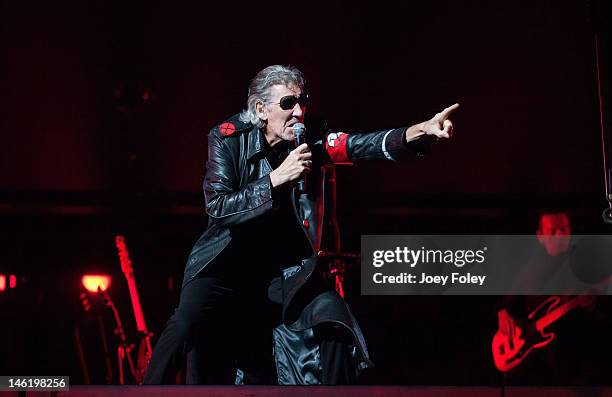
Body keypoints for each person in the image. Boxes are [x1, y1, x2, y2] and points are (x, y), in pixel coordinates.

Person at [143, 65, 459, 385]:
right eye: (288, 104)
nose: (298, 112)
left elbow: (358, 146)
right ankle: (142, 395)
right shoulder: (228, 138)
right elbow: (218, 207)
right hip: (224, 264)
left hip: (282, 272)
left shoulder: (309, 139)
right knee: (186, 322)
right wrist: (275, 179)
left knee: (334, 318)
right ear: (260, 110)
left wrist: (420, 130)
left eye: (302, 101)